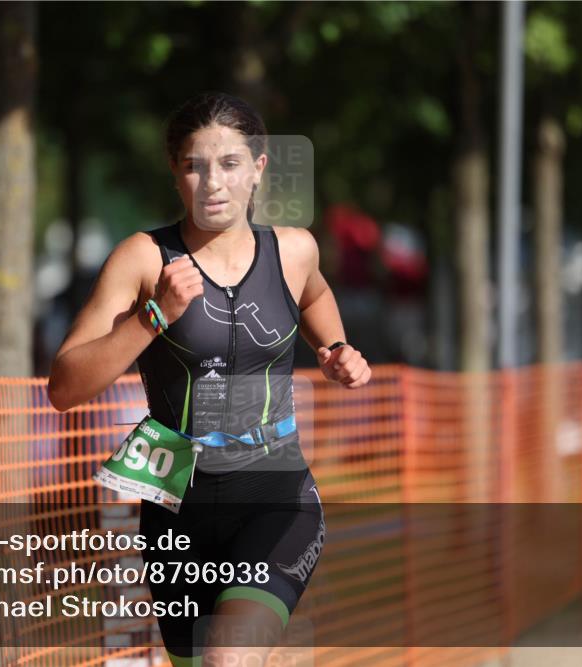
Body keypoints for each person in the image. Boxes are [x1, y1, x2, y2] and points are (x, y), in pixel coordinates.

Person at [48, 91, 371, 667]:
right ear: (175, 174)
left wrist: (335, 347)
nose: (213, 183)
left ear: (257, 170)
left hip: (278, 495)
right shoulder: (143, 259)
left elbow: (315, 294)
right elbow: (65, 387)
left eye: (229, 164)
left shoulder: (293, 250)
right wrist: (154, 317)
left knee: (228, 657)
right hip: (176, 507)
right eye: (195, 166)